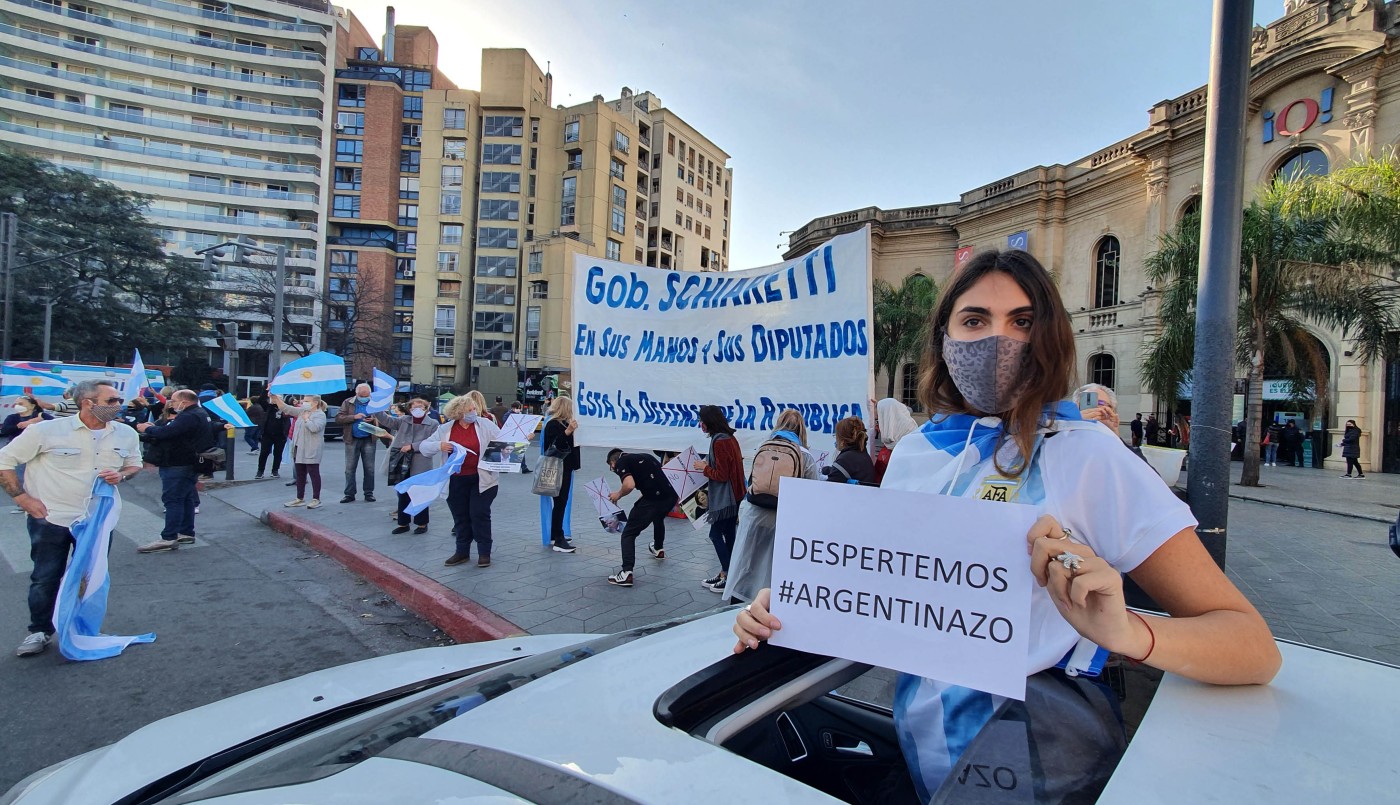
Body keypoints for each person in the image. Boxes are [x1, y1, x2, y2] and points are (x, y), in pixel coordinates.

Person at [733, 249, 1280, 801]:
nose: (997, 341)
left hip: (1036, 757)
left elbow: (1253, 645)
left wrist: (1127, 632)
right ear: (944, 342)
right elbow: (893, 592)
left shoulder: (1090, 456)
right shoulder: (916, 452)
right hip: (924, 756)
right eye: (974, 321)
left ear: (1050, 337)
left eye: (1022, 321)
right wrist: (791, 604)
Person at [0, 380, 142, 656]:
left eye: (118, 400)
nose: (118, 405)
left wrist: (123, 475)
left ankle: (82, 629)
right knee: (45, 576)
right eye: (111, 400)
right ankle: (39, 631)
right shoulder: (47, 430)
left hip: (98, 520)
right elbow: (4, 461)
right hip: (51, 517)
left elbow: (134, 463)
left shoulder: (125, 433)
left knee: (91, 577)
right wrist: (22, 498)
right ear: (88, 402)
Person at [724, 408, 821, 603]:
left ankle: (737, 605)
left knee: (747, 563)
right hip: (783, 520)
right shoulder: (805, 456)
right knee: (773, 569)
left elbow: (752, 481)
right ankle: (767, 607)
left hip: (754, 515)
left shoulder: (763, 446)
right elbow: (813, 493)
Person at [422, 390, 502, 567]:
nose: (474, 412)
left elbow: (504, 441)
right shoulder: (445, 429)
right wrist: (439, 445)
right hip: (456, 480)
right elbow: (424, 447)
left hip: (482, 480)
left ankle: (484, 552)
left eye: (474, 408)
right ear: (459, 413)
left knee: (479, 513)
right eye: (470, 409)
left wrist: (522, 439)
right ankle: (462, 551)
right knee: (460, 516)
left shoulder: (485, 425)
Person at [134, 389, 213, 552]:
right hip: (189, 462)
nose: (173, 404)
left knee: (173, 500)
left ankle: (168, 537)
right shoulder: (200, 413)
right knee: (186, 498)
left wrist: (146, 428)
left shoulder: (189, 416)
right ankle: (185, 532)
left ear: (185, 401)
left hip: (178, 463)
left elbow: (168, 432)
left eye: (175, 401)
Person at [605, 447, 679, 587]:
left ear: (612, 463)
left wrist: (618, 494)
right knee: (658, 517)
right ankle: (658, 548)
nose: (613, 469)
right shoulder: (645, 456)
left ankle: (626, 573)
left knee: (628, 533)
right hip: (670, 497)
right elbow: (657, 477)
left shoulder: (621, 462)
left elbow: (629, 484)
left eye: (611, 467)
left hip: (654, 500)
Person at [693, 405, 746, 595]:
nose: (700, 424)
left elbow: (722, 475)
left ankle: (728, 574)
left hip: (726, 498)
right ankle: (726, 572)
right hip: (735, 495)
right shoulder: (728, 438)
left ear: (709, 422)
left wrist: (703, 467)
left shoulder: (720, 441)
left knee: (715, 535)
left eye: (702, 421)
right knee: (729, 535)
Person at [375, 397, 439, 534]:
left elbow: (432, 442)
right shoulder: (404, 420)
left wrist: (412, 446)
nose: (417, 409)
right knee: (402, 492)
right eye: (414, 407)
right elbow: (387, 420)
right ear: (409, 409)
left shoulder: (433, 424)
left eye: (421, 407)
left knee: (420, 493)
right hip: (402, 461)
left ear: (426, 408)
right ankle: (403, 523)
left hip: (421, 462)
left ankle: (422, 523)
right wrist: (376, 408)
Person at [541, 395, 581, 552]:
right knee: (560, 502)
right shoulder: (553, 424)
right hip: (558, 467)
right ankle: (559, 539)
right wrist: (568, 431)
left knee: (560, 502)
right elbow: (553, 446)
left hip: (565, 466)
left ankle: (555, 534)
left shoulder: (562, 423)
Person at [272, 393, 327, 507]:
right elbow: (286, 408)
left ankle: (316, 499)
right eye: (303, 401)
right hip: (298, 448)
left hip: (311, 449)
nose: (303, 402)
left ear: (315, 403)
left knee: (313, 473)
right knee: (300, 474)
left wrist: (307, 420)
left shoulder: (320, 415)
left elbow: (314, 428)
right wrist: (275, 398)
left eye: (306, 401)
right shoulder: (302, 411)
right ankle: (299, 498)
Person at [336, 383, 378, 503]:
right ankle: (349, 494)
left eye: (367, 395)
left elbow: (384, 418)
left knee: (369, 468)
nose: (364, 397)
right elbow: (339, 418)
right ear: (356, 393)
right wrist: (354, 417)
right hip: (352, 438)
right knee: (349, 468)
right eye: (362, 395)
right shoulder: (348, 402)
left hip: (369, 438)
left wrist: (374, 419)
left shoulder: (375, 403)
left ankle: (369, 493)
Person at [870, 398, 917, 486]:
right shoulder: (899, 441)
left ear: (889, 420)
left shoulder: (902, 451)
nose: (877, 426)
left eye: (878, 420)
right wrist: (881, 407)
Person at [822, 416, 876, 485]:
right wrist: (830, 470)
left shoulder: (845, 459)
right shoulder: (862, 454)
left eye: (836, 436)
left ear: (842, 440)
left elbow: (830, 486)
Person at [254, 393, 287, 480]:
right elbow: (261, 400)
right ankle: (260, 471)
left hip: (280, 435)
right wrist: (267, 390)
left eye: (278, 398)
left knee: (278, 453)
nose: (276, 400)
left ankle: (275, 470)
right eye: (274, 398)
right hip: (267, 434)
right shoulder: (268, 407)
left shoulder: (285, 408)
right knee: (264, 453)